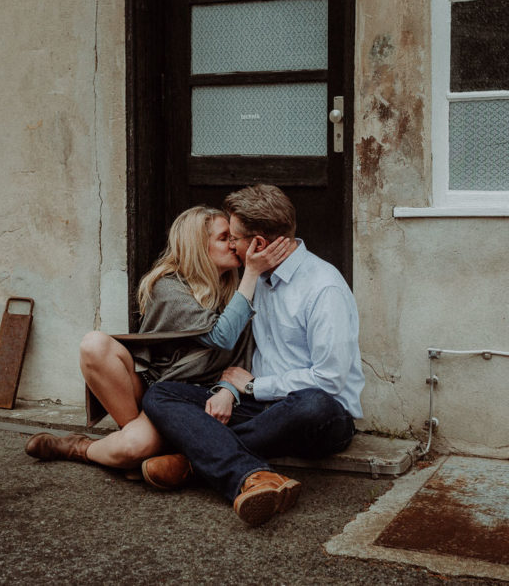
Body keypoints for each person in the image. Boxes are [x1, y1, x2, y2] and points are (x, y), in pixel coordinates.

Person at [141, 184, 364, 526]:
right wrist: (230, 391)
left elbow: (331, 380)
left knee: (311, 402)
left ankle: (194, 462)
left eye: (234, 238)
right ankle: (252, 475)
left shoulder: (324, 287)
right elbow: (245, 353)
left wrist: (251, 387)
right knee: (161, 393)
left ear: (257, 244)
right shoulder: (252, 280)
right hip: (259, 408)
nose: (231, 245)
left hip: (318, 416)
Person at [23, 205, 291, 487]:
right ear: (199, 247)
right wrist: (251, 274)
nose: (234, 244)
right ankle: (88, 444)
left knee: (133, 447)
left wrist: (227, 389)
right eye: (225, 238)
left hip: (200, 398)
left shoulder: (237, 288)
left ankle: (118, 447)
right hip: (158, 388)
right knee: (94, 344)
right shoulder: (169, 287)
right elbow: (221, 336)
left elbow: (247, 354)